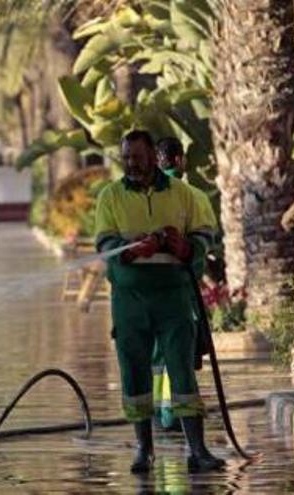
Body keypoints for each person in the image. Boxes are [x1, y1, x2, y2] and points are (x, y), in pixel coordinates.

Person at [94, 130, 224, 473]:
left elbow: (204, 233)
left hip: (174, 297)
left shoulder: (184, 195)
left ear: (153, 155)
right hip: (130, 299)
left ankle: (197, 450)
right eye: (126, 157)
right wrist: (131, 250)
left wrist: (186, 246)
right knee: (134, 371)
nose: (131, 164)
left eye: (137, 156)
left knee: (182, 370)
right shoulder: (111, 196)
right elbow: (105, 242)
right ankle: (143, 449)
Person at [151, 137, 219, 433]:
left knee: (156, 353)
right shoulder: (194, 197)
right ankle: (171, 415)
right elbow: (204, 244)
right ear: (180, 161)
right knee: (177, 354)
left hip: (147, 291)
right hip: (182, 291)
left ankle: (156, 410)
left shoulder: (144, 198)